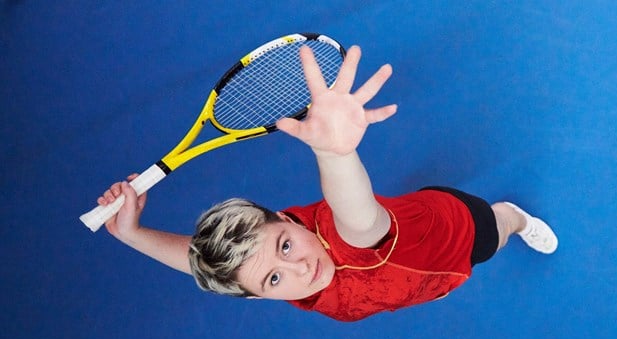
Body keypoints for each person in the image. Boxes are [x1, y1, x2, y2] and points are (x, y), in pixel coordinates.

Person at [97, 45, 558, 321]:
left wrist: (334, 152)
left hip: (455, 233)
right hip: (416, 266)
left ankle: (513, 217)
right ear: (257, 295)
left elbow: (358, 217)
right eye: (273, 278)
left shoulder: (346, 238)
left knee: (494, 235)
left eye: (284, 245)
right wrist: (133, 234)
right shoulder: (259, 275)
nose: (299, 269)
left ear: (287, 220)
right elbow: (208, 268)